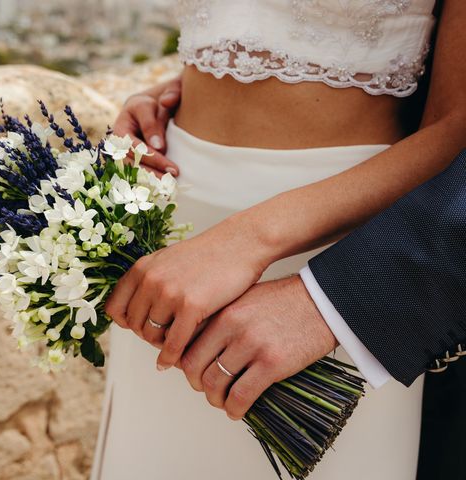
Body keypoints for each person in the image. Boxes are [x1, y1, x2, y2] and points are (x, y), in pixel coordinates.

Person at [91, 1, 466, 479]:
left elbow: (456, 129)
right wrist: (181, 90)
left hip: (333, 247)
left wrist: (247, 238)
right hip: (172, 225)